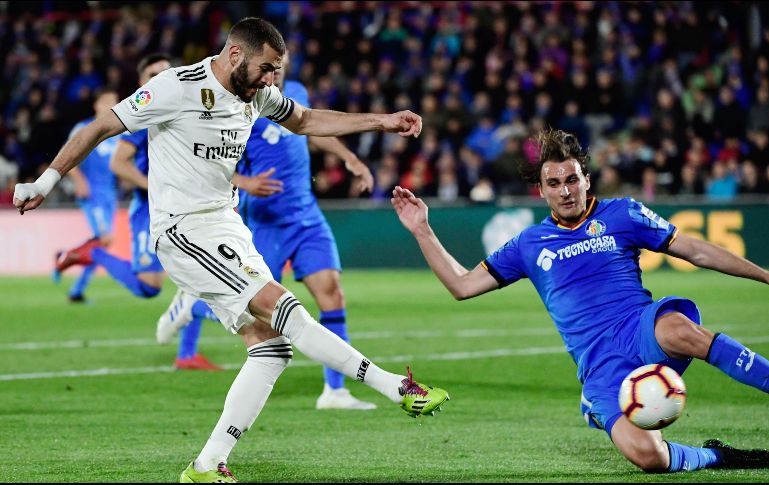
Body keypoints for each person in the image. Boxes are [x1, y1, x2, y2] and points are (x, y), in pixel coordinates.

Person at [13, 17, 449, 483]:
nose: (272, 80)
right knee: (285, 308)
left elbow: (304, 119)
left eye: (277, 71)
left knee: (271, 348)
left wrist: (381, 121)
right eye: (267, 68)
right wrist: (47, 180)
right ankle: (395, 387)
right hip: (182, 230)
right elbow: (100, 127)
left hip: (226, 224)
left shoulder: (257, 93)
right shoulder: (176, 87)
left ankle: (206, 465)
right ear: (236, 55)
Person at [391, 128, 769, 473]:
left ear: (586, 180)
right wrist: (422, 231)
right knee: (649, 457)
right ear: (541, 191)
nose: (565, 190)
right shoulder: (527, 244)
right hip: (599, 365)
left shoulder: (623, 213)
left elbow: (696, 251)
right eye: (553, 183)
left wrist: (766, 276)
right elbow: (462, 285)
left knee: (678, 328)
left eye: (572, 179)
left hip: (639, 329)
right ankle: (717, 456)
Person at [55, 53, 223, 370]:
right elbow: (119, 164)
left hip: (187, 208)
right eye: (153, 73)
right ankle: (94, 256)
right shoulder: (142, 116)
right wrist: (154, 185)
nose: (161, 77)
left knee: (199, 278)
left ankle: (187, 354)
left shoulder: (188, 112)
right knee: (149, 287)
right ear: (142, 82)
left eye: (166, 72)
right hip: (150, 209)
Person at [234, 49, 376, 410]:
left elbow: (311, 127)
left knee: (331, 293)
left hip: (306, 216)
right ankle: (189, 307)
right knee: (259, 316)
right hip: (266, 220)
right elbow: (212, 160)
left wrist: (351, 159)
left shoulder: (295, 91)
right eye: (267, 67)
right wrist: (245, 183)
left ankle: (334, 391)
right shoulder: (240, 106)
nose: (274, 73)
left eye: (277, 66)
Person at [54, 87, 120, 302]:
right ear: (97, 105)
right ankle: (74, 281)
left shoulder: (118, 132)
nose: (113, 105)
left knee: (102, 243)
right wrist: (79, 180)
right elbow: (66, 155)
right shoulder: (83, 128)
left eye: (115, 101)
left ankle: (68, 261)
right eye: (108, 100)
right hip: (92, 193)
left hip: (110, 194)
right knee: (103, 240)